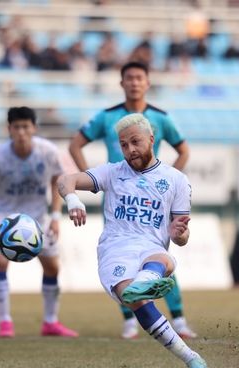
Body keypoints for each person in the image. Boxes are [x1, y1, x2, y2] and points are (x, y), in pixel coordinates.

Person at [59, 113, 208, 368]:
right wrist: (72, 199)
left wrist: (178, 234)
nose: (130, 150)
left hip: (152, 247)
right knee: (133, 298)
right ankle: (190, 356)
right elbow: (65, 180)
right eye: (124, 145)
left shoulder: (176, 180)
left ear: (152, 139)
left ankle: (148, 281)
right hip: (115, 249)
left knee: (164, 260)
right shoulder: (112, 172)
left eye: (135, 142)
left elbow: (181, 239)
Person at [68, 61, 197, 340]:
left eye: (139, 78)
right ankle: (129, 319)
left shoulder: (160, 118)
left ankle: (180, 318)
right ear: (122, 83)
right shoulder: (107, 116)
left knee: (157, 256)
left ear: (148, 82)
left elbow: (184, 150)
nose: (134, 83)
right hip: (119, 195)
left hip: (152, 199)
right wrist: (91, 183)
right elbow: (75, 144)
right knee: (121, 256)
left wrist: (170, 184)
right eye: (129, 78)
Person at [0, 107, 79, 339]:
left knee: (52, 268)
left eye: (25, 127)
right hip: (5, 216)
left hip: (36, 217)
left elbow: (56, 180)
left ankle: (50, 322)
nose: (21, 132)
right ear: (9, 129)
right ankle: (4, 323)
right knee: (1, 262)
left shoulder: (48, 151)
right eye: (16, 127)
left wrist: (55, 216)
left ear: (34, 128)